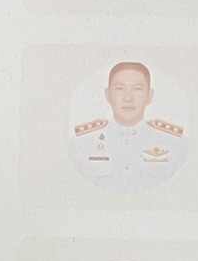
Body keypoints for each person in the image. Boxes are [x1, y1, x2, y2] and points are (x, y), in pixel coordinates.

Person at [70, 61, 187, 192]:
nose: (128, 98)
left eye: (137, 89)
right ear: (108, 95)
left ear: (149, 96)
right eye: (120, 88)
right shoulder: (82, 144)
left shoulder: (175, 144)